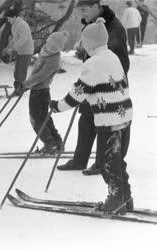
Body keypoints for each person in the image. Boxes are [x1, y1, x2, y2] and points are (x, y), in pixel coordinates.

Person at [50, 18, 133, 213]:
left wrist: (57, 106)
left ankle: (116, 199)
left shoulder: (93, 63)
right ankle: (125, 195)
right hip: (124, 116)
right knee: (117, 159)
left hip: (109, 120)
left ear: (90, 43)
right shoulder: (112, 56)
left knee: (106, 163)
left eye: (83, 42)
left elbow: (77, 94)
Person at [57, 0, 130, 176]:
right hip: (93, 83)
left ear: (97, 6)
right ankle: (79, 160)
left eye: (84, 10)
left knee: (109, 125)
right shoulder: (94, 24)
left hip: (109, 88)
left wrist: (96, 65)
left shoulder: (114, 27)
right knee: (86, 121)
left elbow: (118, 59)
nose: (82, 14)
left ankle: (105, 163)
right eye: (79, 11)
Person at [22, 31, 68, 154]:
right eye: (48, 43)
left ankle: (50, 143)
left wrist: (26, 84)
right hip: (36, 90)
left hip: (41, 92)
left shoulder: (54, 60)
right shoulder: (45, 52)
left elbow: (41, 76)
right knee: (43, 118)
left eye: (53, 46)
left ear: (57, 48)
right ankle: (57, 142)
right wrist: (27, 84)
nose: (49, 47)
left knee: (37, 120)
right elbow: (36, 72)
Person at [2, 9, 34, 95]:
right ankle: (17, 87)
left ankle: (20, 89)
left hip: (27, 51)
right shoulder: (14, 26)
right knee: (16, 71)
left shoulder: (23, 25)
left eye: (9, 18)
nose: (8, 20)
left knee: (22, 71)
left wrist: (13, 48)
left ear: (15, 17)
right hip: (20, 51)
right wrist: (8, 46)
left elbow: (23, 39)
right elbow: (15, 38)